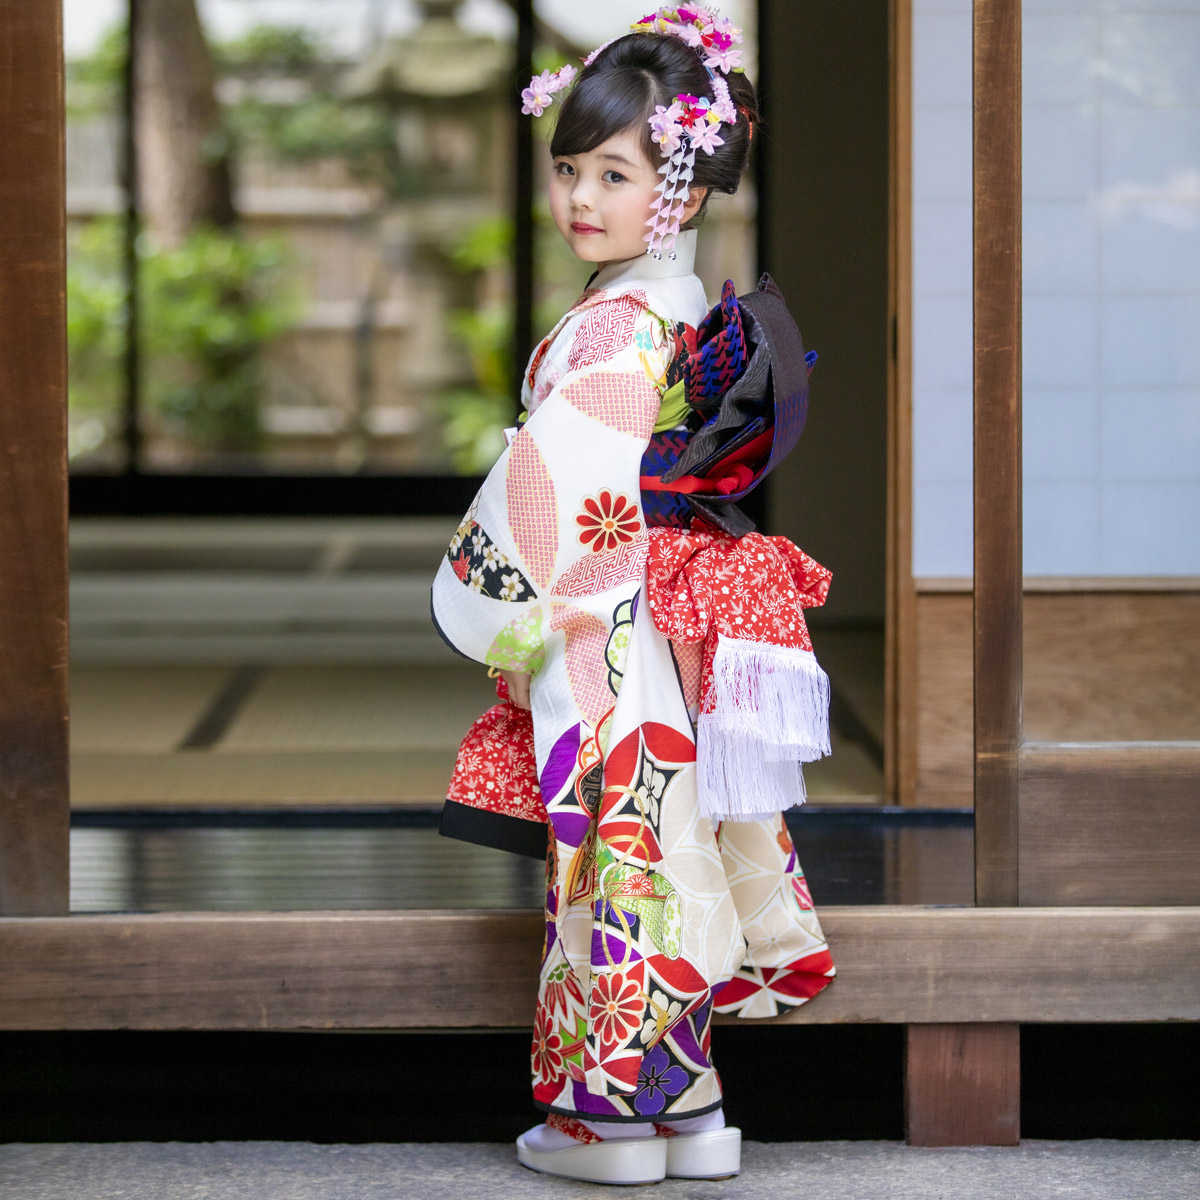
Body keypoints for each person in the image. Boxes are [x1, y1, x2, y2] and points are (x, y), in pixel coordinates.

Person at [431, 7, 835, 1185]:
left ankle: (604, 1124)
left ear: (684, 186)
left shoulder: (616, 328)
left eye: (615, 173)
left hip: (603, 619)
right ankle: (693, 1117)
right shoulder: (675, 305)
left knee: (614, 865)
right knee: (673, 850)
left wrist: (513, 615)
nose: (579, 197)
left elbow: (559, 490)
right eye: (569, 169)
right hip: (662, 611)